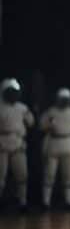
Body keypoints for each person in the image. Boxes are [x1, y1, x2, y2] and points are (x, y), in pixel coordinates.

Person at [39, 88, 70, 211]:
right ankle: (46, 202)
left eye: (66, 99)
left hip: (68, 143)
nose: (64, 101)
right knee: (49, 174)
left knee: (68, 175)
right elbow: (42, 126)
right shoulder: (51, 112)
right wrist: (49, 125)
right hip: (53, 143)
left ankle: (69, 201)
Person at [0, 78, 34, 213]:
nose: (14, 95)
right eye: (11, 92)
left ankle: (22, 202)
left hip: (18, 142)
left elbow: (30, 122)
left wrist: (28, 114)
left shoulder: (22, 108)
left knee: (22, 174)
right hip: (2, 143)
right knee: (1, 176)